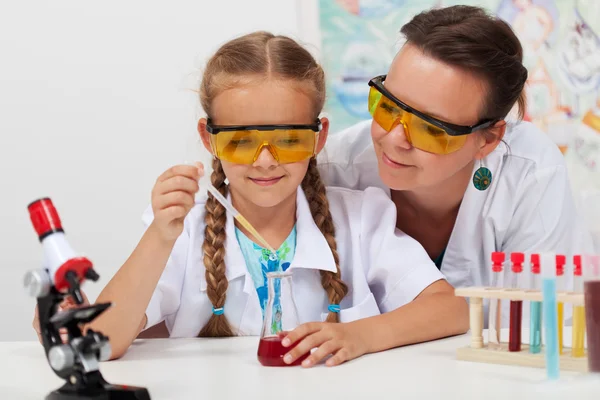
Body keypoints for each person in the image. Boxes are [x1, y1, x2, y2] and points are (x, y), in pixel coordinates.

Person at [34, 31, 468, 367]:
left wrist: (362, 336)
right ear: (210, 139)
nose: (265, 161)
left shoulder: (359, 218)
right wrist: (161, 235)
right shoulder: (184, 228)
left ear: (319, 139)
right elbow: (104, 342)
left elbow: (454, 309)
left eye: (288, 140)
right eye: (242, 141)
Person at [319, 5, 594, 323]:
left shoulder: (531, 173)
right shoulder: (334, 170)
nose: (395, 138)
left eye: (430, 127)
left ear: (488, 140)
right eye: (388, 105)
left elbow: (551, 324)